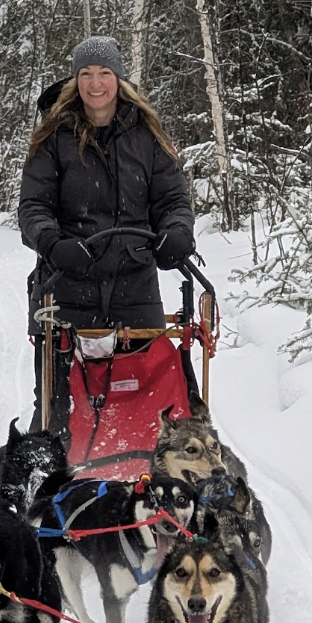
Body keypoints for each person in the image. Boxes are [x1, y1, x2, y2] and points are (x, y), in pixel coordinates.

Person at [19, 35, 195, 428]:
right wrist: (54, 243)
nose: (95, 83)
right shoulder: (53, 136)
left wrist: (177, 233)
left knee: (151, 403)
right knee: (56, 410)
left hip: (135, 289)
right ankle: (50, 464)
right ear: (75, 79)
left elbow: (171, 200)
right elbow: (33, 207)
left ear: (118, 78)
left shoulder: (147, 135)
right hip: (66, 287)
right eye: (85, 73)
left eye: (104, 73)